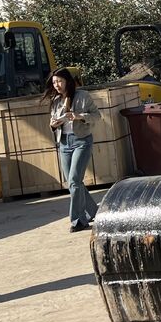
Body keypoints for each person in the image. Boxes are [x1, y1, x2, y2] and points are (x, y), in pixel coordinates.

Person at [45, 68, 101, 233]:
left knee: (75, 180)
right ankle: (94, 212)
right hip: (64, 143)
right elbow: (52, 122)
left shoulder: (82, 96)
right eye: (54, 82)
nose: (57, 85)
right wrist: (53, 124)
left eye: (59, 81)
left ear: (68, 81)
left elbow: (97, 116)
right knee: (73, 182)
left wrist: (79, 116)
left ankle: (78, 221)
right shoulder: (56, 101)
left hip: (81, 141)